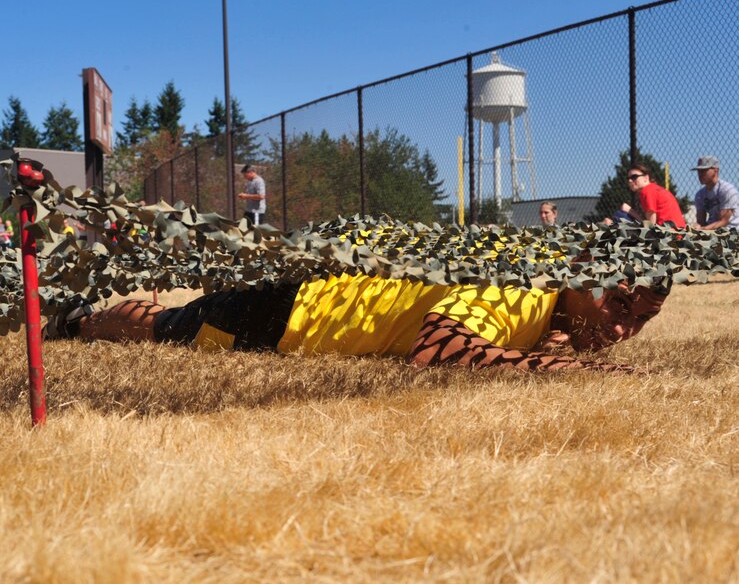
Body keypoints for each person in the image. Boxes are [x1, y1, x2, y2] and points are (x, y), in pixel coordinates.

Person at [43, 271, 669, 373]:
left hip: (305, 310)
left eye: (640, 320)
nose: (620, 330)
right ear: (581, 277)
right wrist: (558, 366)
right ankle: (79, 323)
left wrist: (568, 345)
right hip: (289, 320)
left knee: (174, 320)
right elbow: (437, 348)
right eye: (618, 306)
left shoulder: (551, 303)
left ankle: (81, 318)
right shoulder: (520, 297)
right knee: (166, 326)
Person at [606, 163, 686, 227]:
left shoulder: (647, 191)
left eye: (634, 177)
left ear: (646, 178)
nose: (630, 181)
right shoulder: (654, 189)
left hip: (667, 236)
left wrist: (630, 211)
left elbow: (650, 226)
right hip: (677, 233)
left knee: (619, 215)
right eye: (628, 178)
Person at [691, 156, 739, 231]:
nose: (700, 174)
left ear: (715, 170)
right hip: (711, 231)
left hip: (731, 232)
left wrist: (702, 229)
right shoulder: (700, 194)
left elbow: (723, 222)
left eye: (704, 170)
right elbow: (701, 221)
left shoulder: (727, 190)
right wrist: (695, 227)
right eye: (699, 171)